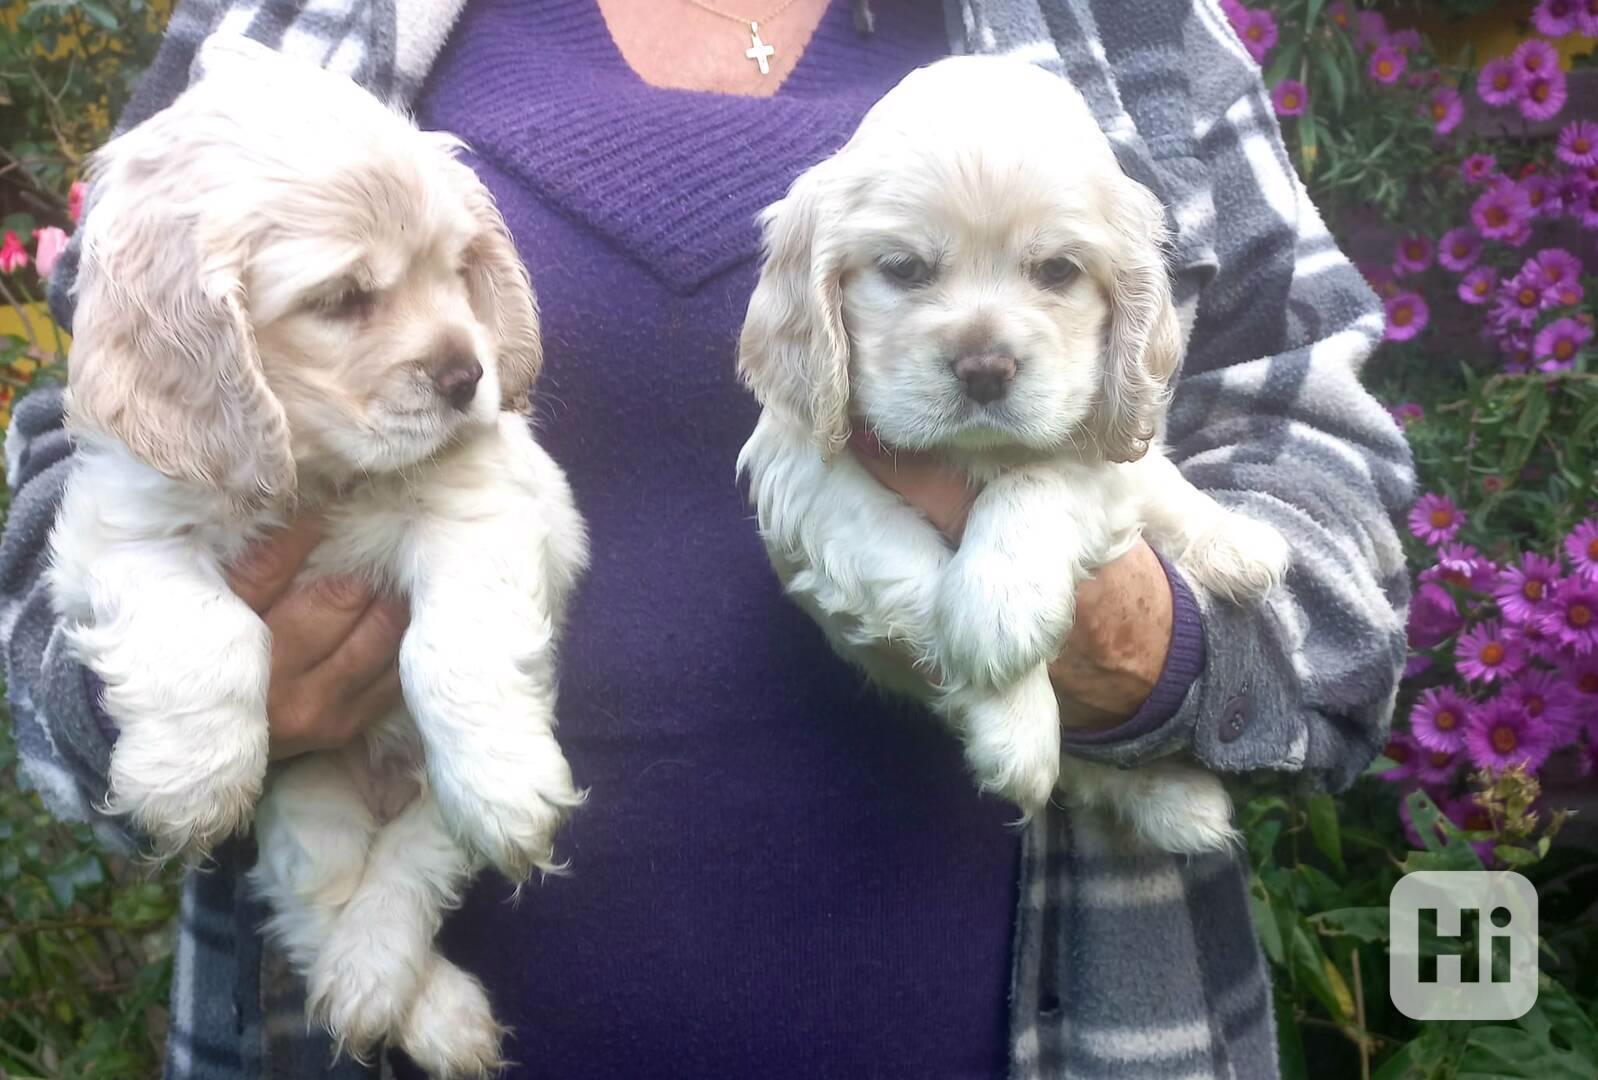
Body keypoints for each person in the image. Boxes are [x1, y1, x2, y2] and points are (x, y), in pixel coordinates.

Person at [0, 0, 1414, 1076]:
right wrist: (177, 694)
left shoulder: (1119, 29)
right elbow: (112, 432)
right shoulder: (297, 26)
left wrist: (1135, 645)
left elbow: (1330, 511)